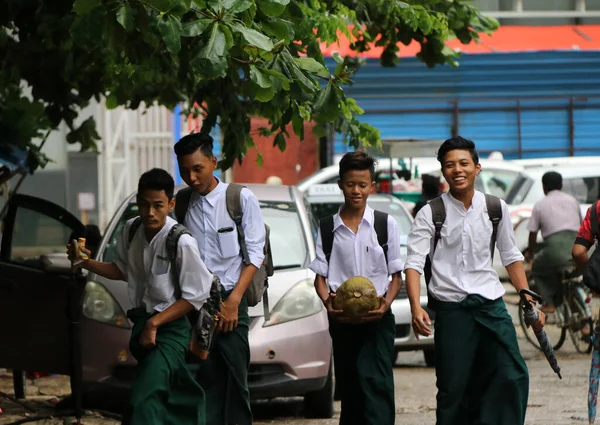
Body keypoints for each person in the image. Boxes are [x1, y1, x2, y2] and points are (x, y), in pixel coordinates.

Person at [404, 136, 545, 425]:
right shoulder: (430, 213)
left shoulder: (495, 208)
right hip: (452, 312)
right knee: (453, 389)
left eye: (464, 163)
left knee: (511, 374)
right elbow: (414, 263)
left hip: (491, 307)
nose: (458, 170)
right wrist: (416, 307)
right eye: (450, 165)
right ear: (443, 171)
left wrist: (528, 297)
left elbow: (510, 254)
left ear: (477, 167)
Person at [67, 168, 212, 425]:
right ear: (138, 203)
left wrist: (155, 324)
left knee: (143, 398)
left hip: (171, 331)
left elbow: (195, 296)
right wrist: (85, 261)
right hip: (142, 326)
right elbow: (122, 270)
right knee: (161, 399)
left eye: (158, 205)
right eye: (144, 205)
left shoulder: (181, 241)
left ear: (171, 204)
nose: (150, 213)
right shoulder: (132, 230)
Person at [174, 133, 265, 425]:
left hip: (231, 301)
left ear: (213, 162)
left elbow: (254, 255)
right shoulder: (183, 203)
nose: (192, 176)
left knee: (235, 380)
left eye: (198, 168)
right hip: (195, 305)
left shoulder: (239, 199)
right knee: (204, 380)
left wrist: (232, 301)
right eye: (185, 170)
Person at [310, 150, 404, 425]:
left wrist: (385, 303)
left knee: (376, 381)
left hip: (377, 319)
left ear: (372, 187)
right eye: (350, 184)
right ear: (340, 183)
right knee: (350, 387)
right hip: (342, 320)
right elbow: (320, 276)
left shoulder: (386, 224)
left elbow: (395, 274)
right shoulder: (327, 227)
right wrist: (328, 301)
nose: (356, 191)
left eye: (362, 185)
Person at [526, 171, 582, 313]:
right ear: (561, 185)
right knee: (575, 280)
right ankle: (583, 322)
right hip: (578, 247)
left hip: (555, 249)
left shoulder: (540, 204)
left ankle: (549, 303)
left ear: (544, 187)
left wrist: (531, 253)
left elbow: (532, 234)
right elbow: (581, 224)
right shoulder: (572, 200)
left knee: (537, 268)